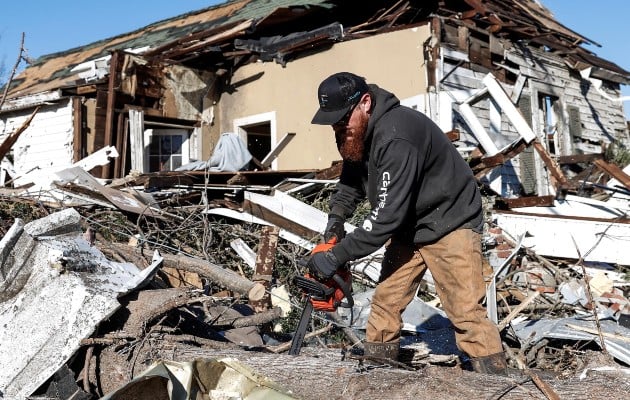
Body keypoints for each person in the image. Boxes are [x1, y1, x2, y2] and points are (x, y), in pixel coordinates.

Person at [307, 72, 507, 374]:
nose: (339, 127)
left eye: (342, 119)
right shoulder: (354, 133)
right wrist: (335, 222)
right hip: (410, 225)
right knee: (385, 302)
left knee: (465, 310)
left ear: (365, 103)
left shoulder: (397, 135)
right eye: (333, 121)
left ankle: (496, 382)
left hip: (450, 220)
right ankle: (378, 375)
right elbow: (351, 180)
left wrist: (335, 257)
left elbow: (386, 217)